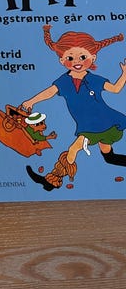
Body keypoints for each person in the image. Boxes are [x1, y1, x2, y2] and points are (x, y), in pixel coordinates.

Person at [22, 25, 126, 190]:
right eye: (70, 58)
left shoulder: (94, 80)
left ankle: (53, 179)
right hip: (89, 125)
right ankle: (52, 179)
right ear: (62, 60)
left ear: (93, 57)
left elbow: (115, 89)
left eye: (82, 57)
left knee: (74, 149)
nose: (77, 62)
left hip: (103, 122)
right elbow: (49, 92)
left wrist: (124, 74)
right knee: (108, 156)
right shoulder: (64, 82)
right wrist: (31, 101)